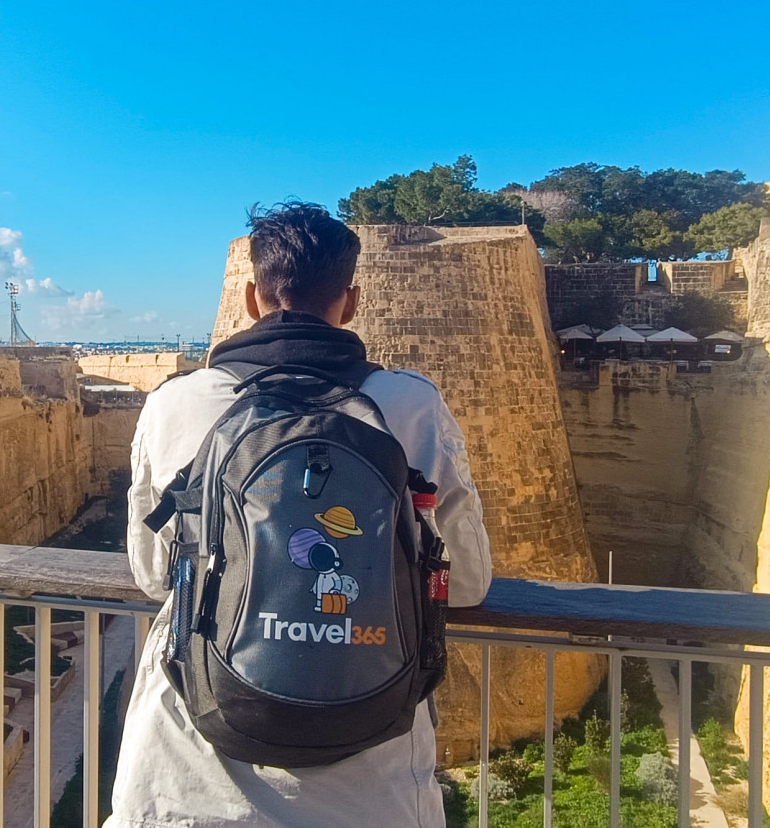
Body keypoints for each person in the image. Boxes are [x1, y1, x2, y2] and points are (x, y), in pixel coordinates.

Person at [105, 201, 491, 828]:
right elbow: (468, 584)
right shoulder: (411, 404)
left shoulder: (177, 403)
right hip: (371, 785)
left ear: (251, 299)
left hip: (189, 774)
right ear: (351, 301)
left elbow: (153, 576)